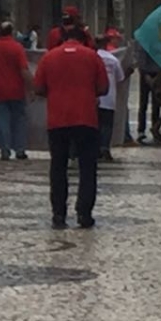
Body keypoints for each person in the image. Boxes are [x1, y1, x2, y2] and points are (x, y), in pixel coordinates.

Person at [33, 26, 108, 230]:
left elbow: (38, 87)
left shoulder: (49, 58)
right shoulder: (92, 57)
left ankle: (59, 213)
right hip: (86, 118)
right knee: (87, 167)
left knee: (58, 166)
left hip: (57, 119)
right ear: (84, 39)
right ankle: (84, 213)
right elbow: (103, 88)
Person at [0, 22, 31, 161]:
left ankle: (5, 150)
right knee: (19, 120)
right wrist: (32, 88)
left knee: (2, 121)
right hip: (17, 90)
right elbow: (23, 70)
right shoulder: (17, 47)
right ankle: (20, 150)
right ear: (11, 32)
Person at [96, 39, 127, 162]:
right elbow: (120, 78)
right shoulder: (113, 60)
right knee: (107, 125)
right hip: (109, 97)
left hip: (95, 98)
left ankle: (96, 149)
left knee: (96, 125)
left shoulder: (92, 57)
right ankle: (105, 148)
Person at [134, 42, 161, 143]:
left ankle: (155, 129)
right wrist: (144, 73)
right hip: (145, 73)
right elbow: (140, 59)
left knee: (157, 104)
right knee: (143, 104)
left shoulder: (160, 41)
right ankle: (141, 131)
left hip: (158, 74)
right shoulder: (143, 41)